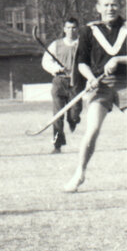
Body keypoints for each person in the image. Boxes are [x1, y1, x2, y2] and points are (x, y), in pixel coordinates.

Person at [63, 0, 127, 193]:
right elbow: (81, 62)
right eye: (106, 5)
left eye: (114, 5)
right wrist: (90, 78)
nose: (110, 9)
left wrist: (119, 60)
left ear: (120, 6)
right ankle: (79, 173)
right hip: (100, 86)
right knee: (92, 131)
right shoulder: (89, 31)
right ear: (98, 8)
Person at [41, 17, 83, 154]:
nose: (71, 31)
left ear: (78, 29)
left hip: (76, 82)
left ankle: (73, 121)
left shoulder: (83, 44)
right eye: (68, 28)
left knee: (75, 113)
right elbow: (46, 61)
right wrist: (56, 69)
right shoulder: (56, 45)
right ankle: (57, 145)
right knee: (58, 115)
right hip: (60, 82)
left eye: (74, 28)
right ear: (64, 29)